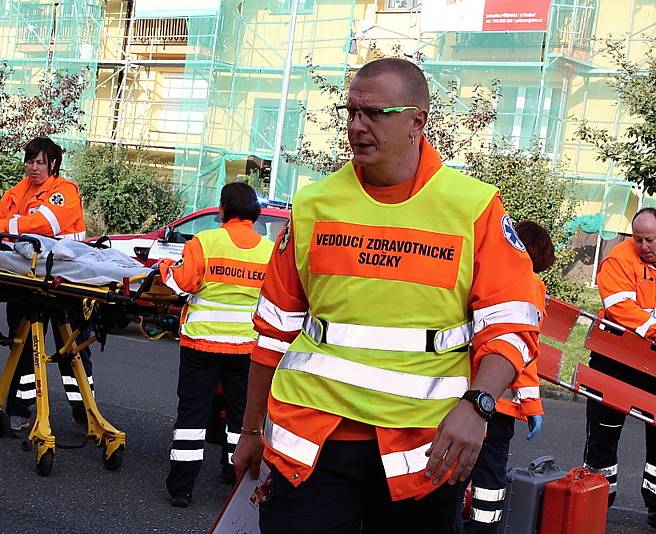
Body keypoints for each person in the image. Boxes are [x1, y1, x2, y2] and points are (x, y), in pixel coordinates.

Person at [231, 57, 541, 533]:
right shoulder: (315, 204)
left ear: (418, 120)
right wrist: (250, 429)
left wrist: (478, 406)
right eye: (351, 111)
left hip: (424, 446)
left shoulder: (472, 206)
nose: (357, 126)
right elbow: (273, 331)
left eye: (374, 113)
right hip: (310, 437)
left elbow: (512, 325)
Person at [159, 182, 274, 508]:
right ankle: (234, 477)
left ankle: (181, 488)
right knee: (241, 417)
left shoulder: (205, 242)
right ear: (254, 211)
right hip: (247, 348)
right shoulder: (268, 250)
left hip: (203, 344)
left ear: (223, 209)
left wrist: (165, 268)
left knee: (192, 416)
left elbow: (184, 284)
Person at [0, 137, 92, 431]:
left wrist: (0, 227)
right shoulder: (20, 190)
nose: (33, 167)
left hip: (65, 282)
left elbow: (43, 225)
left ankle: (85, 412)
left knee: (72, 352)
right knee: (23, 347)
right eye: (29, 161)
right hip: (28, 281)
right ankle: (19, 409)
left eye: (39, 162)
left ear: (53, 164)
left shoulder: (63, 192)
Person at [462, 220, 554, 533]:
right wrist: (532, 406)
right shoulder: (530, 286)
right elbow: (521, 353)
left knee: (458, 466)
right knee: (489, 475)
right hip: (497, 405)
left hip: (468, 392)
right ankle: (483, 528)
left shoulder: (487, 275)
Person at [583, 207, 656, 529]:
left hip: (650, 362)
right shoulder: (619, 259)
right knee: (604, 436)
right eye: (638, 239)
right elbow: (619, 308)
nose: (644, 246)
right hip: (614, 360)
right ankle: (594, 501)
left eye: (650, 239)